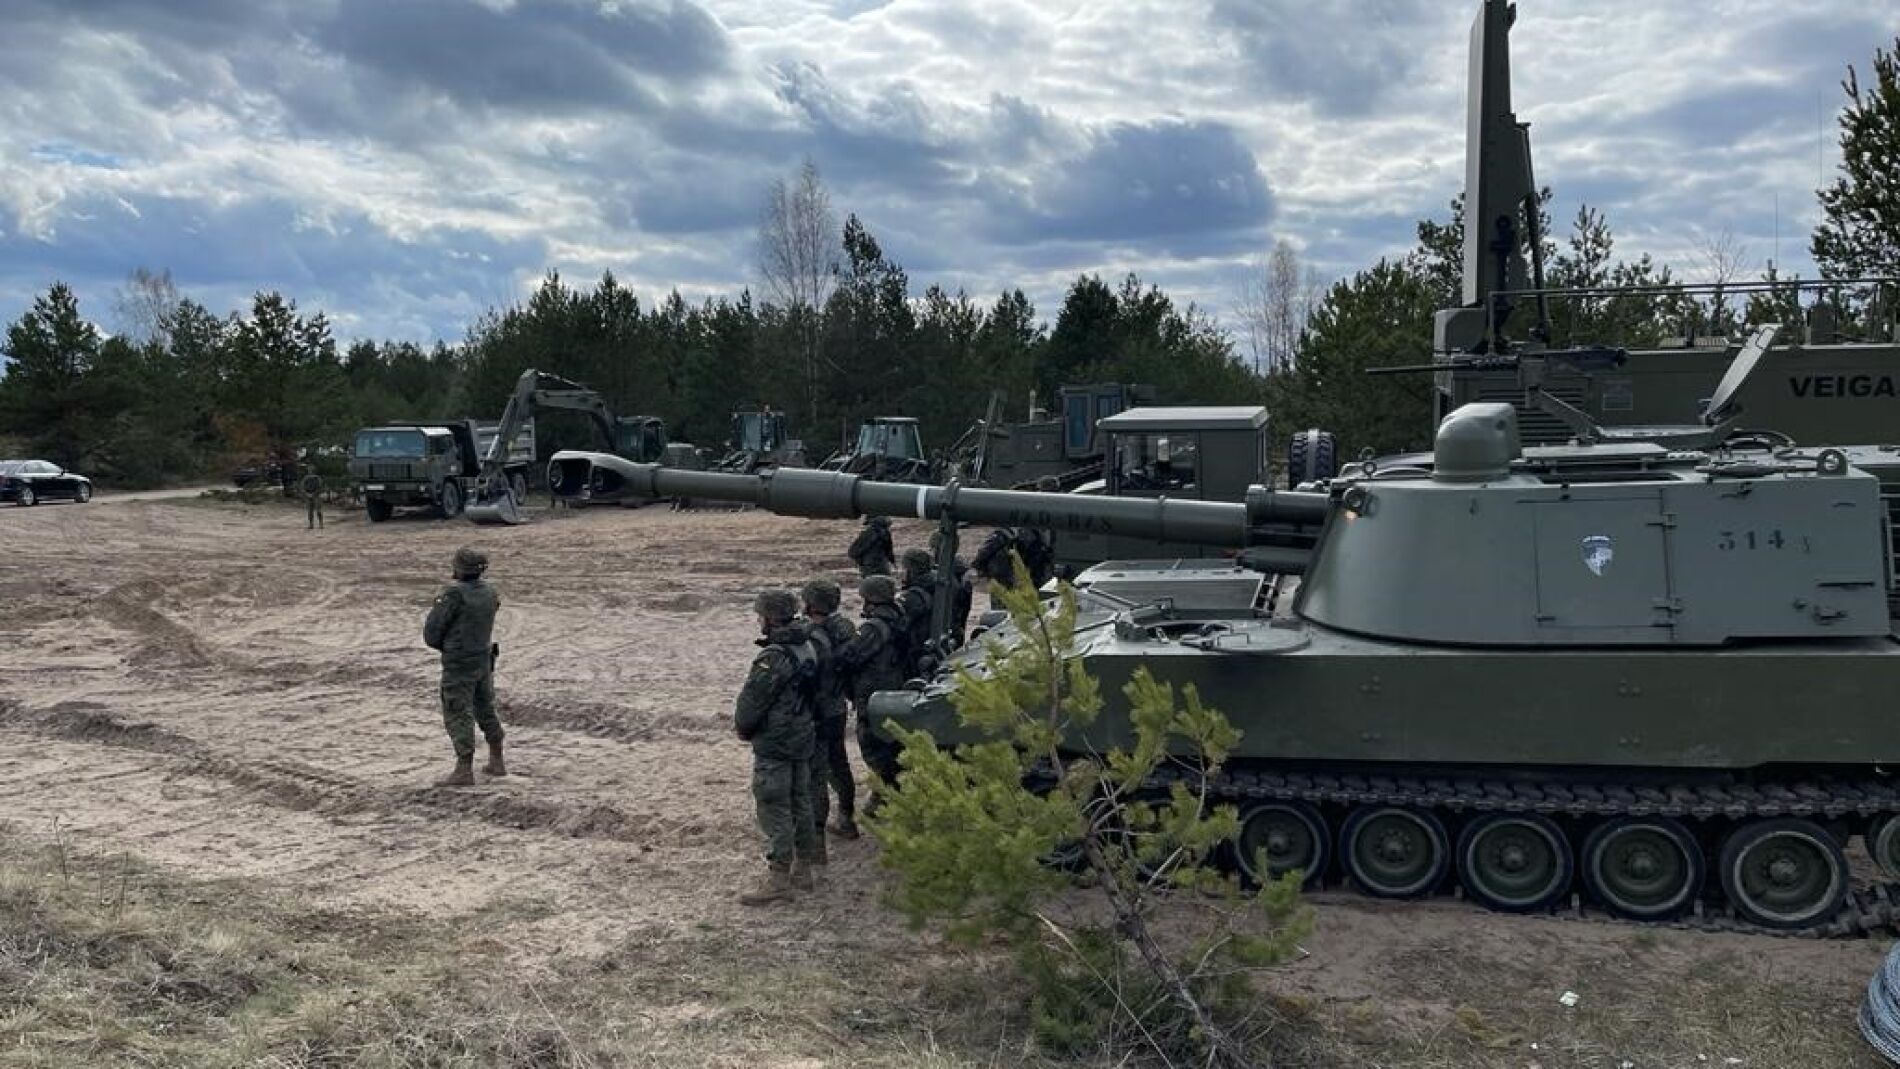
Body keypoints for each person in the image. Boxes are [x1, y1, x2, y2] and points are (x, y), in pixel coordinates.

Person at [733, 589, 822, 904]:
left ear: (770, 618)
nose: (759, 620)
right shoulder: (806, 645)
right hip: (801, 736)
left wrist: (744, 729)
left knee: (774, 804)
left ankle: (779, 879)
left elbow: (751, 704)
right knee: (801, 801)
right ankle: (803, 870)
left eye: (761, 615)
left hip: (777, 741)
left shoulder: (773, 657)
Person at [422, 547, 504, 786]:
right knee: (485, 707)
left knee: (458, 711)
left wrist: (449, 645)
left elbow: (432, 633)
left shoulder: (453, 594)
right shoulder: (489, 591)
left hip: (459, 663)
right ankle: (497, 759)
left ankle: (464, 769)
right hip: (483, 658)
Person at [837, 574, 908, 812]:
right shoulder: (898, 618)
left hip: (873, 696)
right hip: (894, 691)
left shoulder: (874, 627)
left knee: (875, 749)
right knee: (891, 746)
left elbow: (850, 656)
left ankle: (884, 799)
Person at [800, 578, 860, 840]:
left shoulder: (812, 636)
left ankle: (817, 827)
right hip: (837, 706)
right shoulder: (844, 629)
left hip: (817, 711)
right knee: (839, 763)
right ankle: (846, 816)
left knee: (816, 771)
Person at [896, 547, 940, 674]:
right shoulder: (934, 583)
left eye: (905, 568)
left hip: (915, 651)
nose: (902, 572)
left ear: (913, 569)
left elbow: (898, 627)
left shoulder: (914, 595)